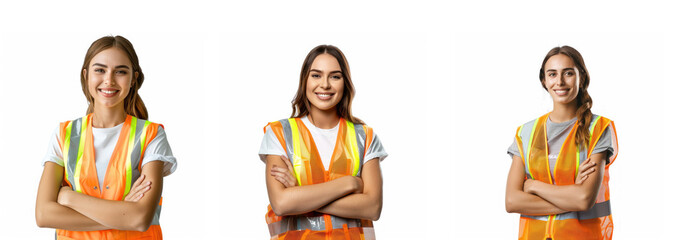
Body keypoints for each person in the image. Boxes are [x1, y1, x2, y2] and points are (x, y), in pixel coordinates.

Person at [35, 35, 177, 240]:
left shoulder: (151, 135)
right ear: (86, 75)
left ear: (133, 78)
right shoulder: (63, 134)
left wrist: (69, 197)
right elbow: (43, 215)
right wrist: (123, 213)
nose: (109, 80)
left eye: (120, 71)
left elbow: (139, 218)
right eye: (100, 70)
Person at [258, 45, 387, 240]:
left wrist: (299, 195)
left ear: (345, 83)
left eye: (335, 76)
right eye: (316, 75)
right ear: (305, 81)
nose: (325, 84)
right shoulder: (279, 134)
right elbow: (282, 203)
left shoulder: (365, 136)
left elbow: (372, 208)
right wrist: (349, 183)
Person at [504, 46, 618, 240]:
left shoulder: (598, 129)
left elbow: (584, 199)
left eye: (568, 73)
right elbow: (512, 201)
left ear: (581, 77)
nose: (560, 82)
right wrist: (571, 197)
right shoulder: (525, 133)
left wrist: (533, 186)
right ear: (544, 80)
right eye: (552, 74)